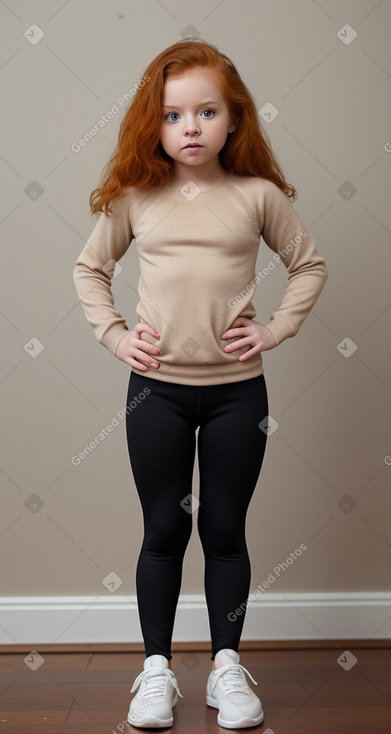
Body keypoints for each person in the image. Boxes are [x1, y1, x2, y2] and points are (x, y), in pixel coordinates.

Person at [73, 38, 328, 730]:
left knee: (223, 528)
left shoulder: (258, 195)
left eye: (206, 112)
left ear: (233, 119)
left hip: (236, 393)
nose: (190, 127)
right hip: (155, 391)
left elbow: (308, 265)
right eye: (173, 115)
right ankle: (155, 672)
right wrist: (116, 334)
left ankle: (224, 667)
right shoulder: (136, 195)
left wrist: (274, 329)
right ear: (151, 125)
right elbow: (89, 269)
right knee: (163, 527)